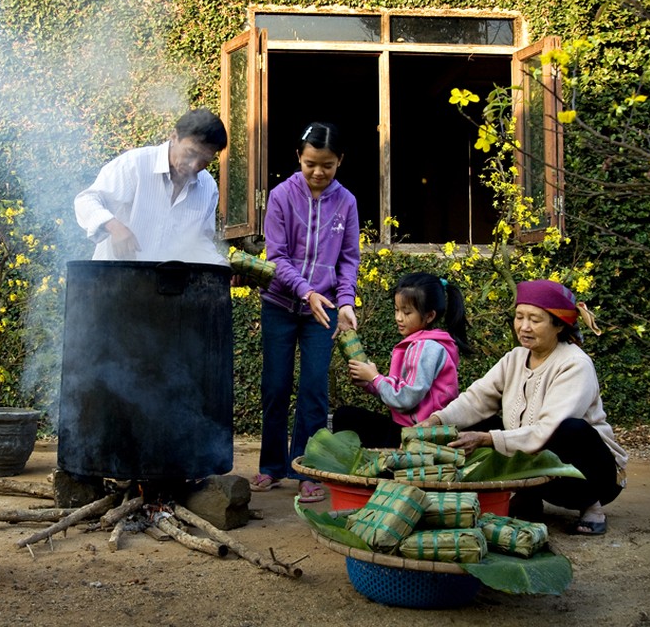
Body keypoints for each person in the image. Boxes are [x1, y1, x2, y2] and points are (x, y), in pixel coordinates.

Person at [419, 279, 627, 535]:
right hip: (536, 464)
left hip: (591, 475)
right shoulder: (514, 358)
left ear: (559, 325)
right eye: (519, 317)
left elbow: (546, 431)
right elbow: (477, 399)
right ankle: (528, 494)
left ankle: (590, 504)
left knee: (570, 429)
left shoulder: (575, 364)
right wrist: (436, 420)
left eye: (535, 320)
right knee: (478, 422)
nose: (524, 327)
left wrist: (486, 439)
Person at [249, 122, 360, 503]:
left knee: (314, 389)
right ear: (299, 156)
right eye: (311, 163)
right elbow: (276, 257)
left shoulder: (346, 202)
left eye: (327, 165)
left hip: (323, 311)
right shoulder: (281, 196)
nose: (318, 172)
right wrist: (305, 290)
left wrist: (345, 302)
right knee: (275, 387)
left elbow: (348, 260)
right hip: (280, 305)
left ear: (339, 161)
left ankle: (307, 470)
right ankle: (271, 466)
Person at [73, 108, 228, 264]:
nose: (194, 165)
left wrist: (223, 267)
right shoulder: (135, 164)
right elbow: (86, 200)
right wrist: (113, 226)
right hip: (114, 279)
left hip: (165, 286)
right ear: (174, 137)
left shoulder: (208, 187)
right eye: (190, 153)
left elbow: (199, 242)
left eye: (205, 159)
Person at [331, 272, 467, 448]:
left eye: (407, 312)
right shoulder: (422, 344)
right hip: (407, 430)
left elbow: (405, 399)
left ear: (430, 316)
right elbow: (398, 392)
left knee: (345, 416)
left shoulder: (426, 348)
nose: (399, 318)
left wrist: (375, 378)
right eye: (396, 310)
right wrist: (369, 382)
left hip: (418, 436)